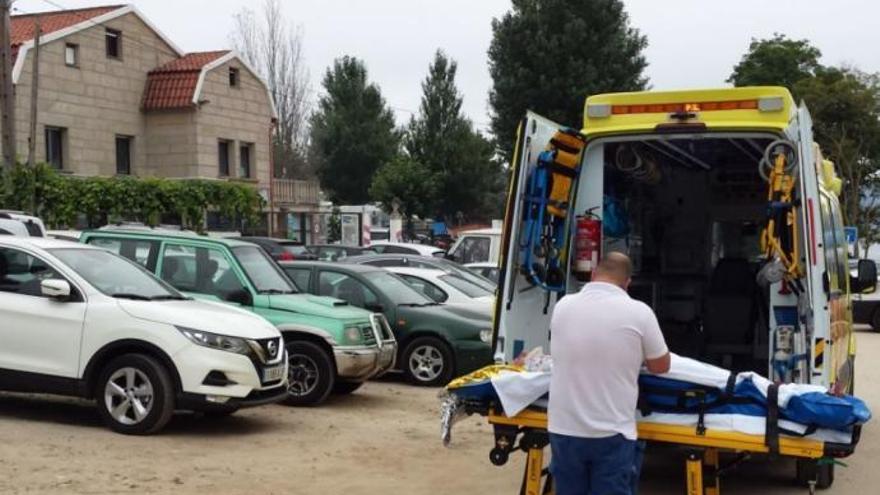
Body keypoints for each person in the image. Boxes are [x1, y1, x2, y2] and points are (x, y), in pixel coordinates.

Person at [548, 252, 670, 495]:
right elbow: (661, 366)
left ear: (593, 274)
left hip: (564, 429)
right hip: (611, 432)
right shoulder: (639, 312)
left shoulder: (562, 306)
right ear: (627, 283)